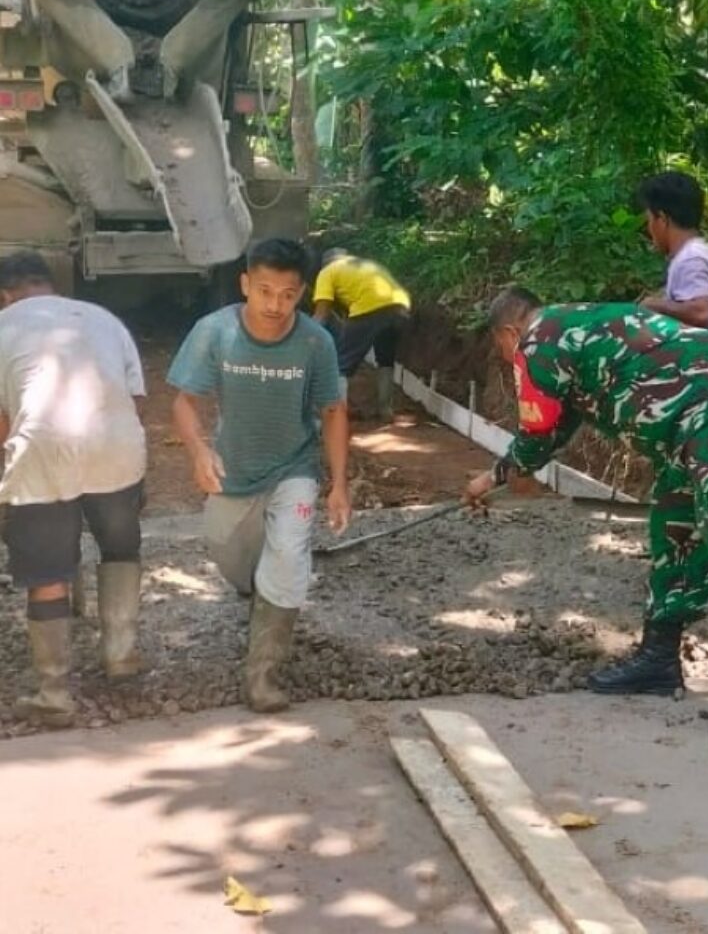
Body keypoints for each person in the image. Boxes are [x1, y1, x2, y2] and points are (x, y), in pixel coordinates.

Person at [464, 288, 708, 743]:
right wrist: (500, 475)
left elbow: (537, 432)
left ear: (509, 331)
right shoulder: (571, 328)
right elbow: (559, 424)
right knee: (676, 528)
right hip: (689, 424)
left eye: (498, 346)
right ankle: (659, 657)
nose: (504, 356)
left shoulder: (538, 342)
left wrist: (490, 477)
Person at [169, 238, 351, 713]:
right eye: (265, 291)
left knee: (288, 555)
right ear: (246, 283)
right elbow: (185, 401)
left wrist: (339, 485)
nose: (275, 305)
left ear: (303, 293)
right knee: (230, 556)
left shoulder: (316, 342)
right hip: (234, 470)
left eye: (288, 294)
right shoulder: (215, 332)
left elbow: (332, 411)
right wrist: (198, 450)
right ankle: (256, 588)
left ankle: (263, 676)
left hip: (296, 467)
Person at [0, 251, 146, 728]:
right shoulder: (103, 318)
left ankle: (54, 693)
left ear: (5, 296)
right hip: (117, 443)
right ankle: (121, 656)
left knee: (47, 572)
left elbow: (4, 421)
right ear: (49, 285)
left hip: (43, 448)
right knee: (119, 546)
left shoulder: (4, 326)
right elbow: (133, 397)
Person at [637, 171, 708, 354]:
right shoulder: (696, 252)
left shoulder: (691, 258)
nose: (649, 229)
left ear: (663, 220)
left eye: (650, 220)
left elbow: (700, 313)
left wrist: (654, 305)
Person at [312, 249, 411, 422]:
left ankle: (337, 417)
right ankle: (385, 410)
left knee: (340, 366)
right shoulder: (366, 264)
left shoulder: (327, 272)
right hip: (399, 307)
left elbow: (322, 315)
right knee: (385, 360)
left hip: (369, 308)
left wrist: (305, 337)